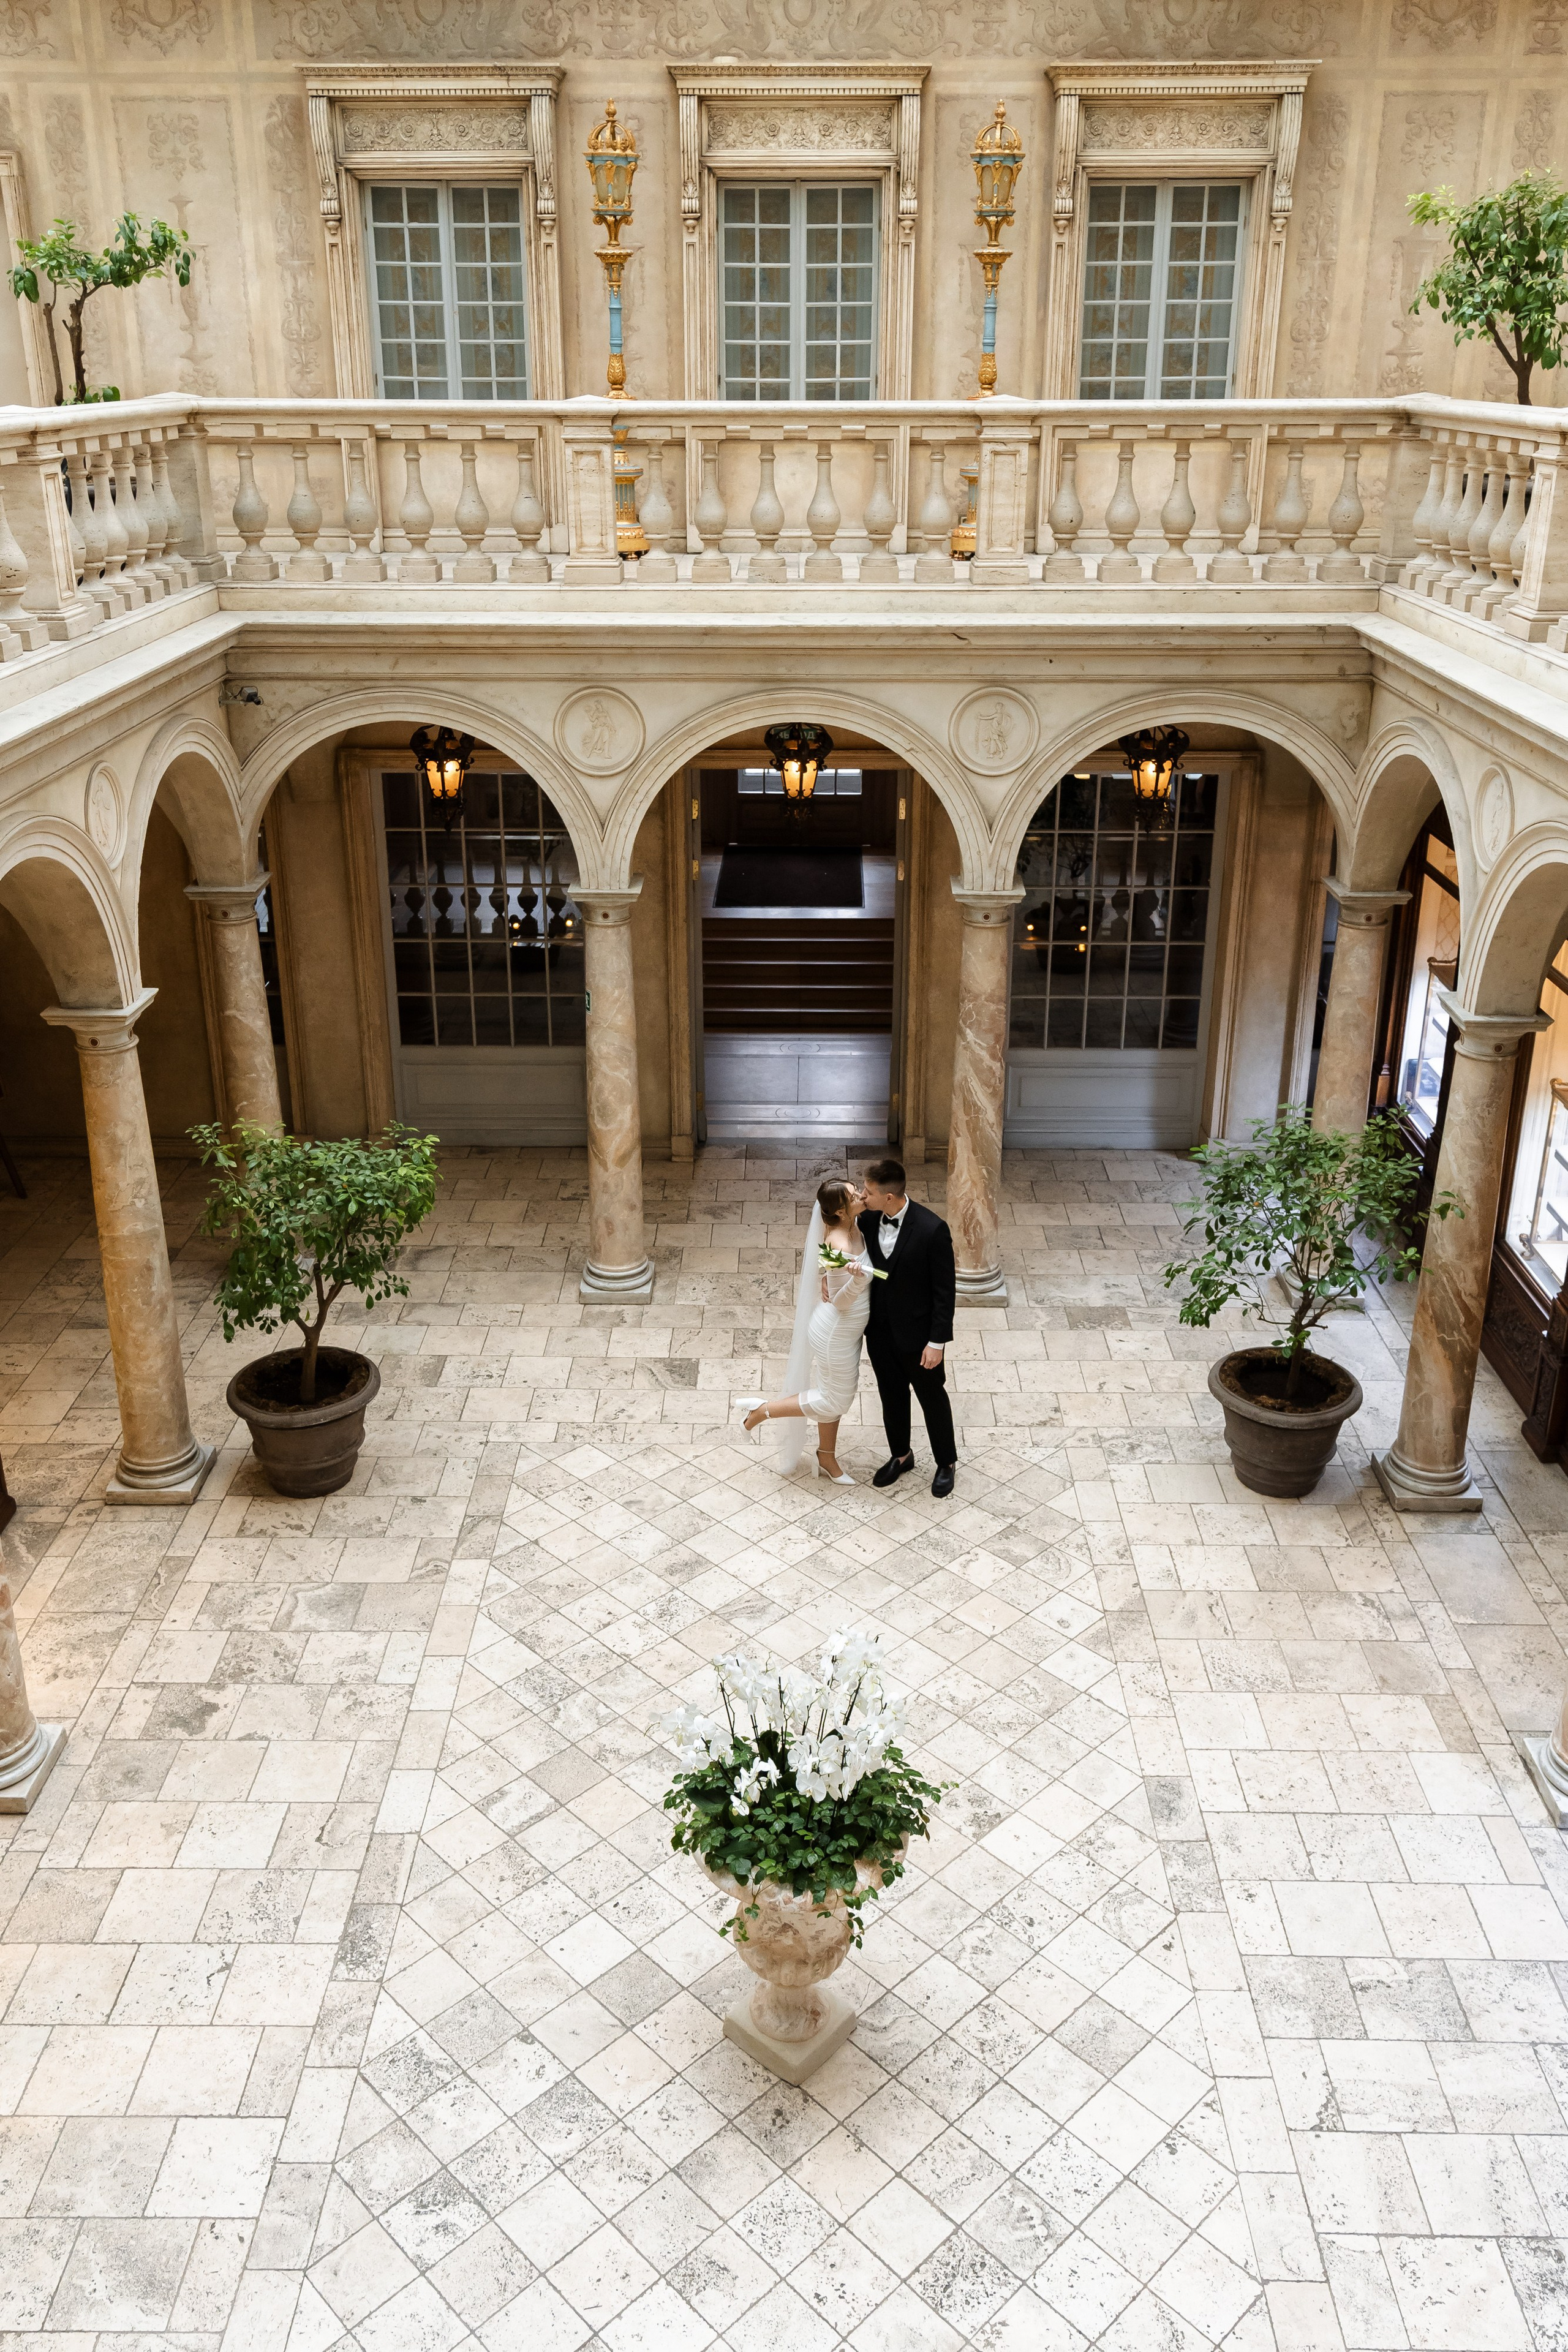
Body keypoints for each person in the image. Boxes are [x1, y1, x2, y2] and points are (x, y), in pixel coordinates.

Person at [736, 1177, 870, 1484]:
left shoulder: (850, 1225)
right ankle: (762, 1411)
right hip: (836, 1328)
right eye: (854, 1195)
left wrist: (827, 1273)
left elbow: (825, 1257)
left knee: (833, 1393)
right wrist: (858, 1279)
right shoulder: (840, 1239)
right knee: (836, 1399)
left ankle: (826, 1456)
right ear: (839, 1211)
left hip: (847, 1331)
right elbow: (840, 1299)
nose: (861, 1195)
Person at [858, 1158, 957, 1497]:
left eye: (868, 1192)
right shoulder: (868, 1220)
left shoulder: (932, 1229)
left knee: (932, 1398)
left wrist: (937, 1343)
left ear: (889, 1197)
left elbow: (945, 1293)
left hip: (919, 1338)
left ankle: (946, 1462)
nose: (862, 1196)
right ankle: (902, 1456)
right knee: (892, 1396)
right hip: (881, 1333)